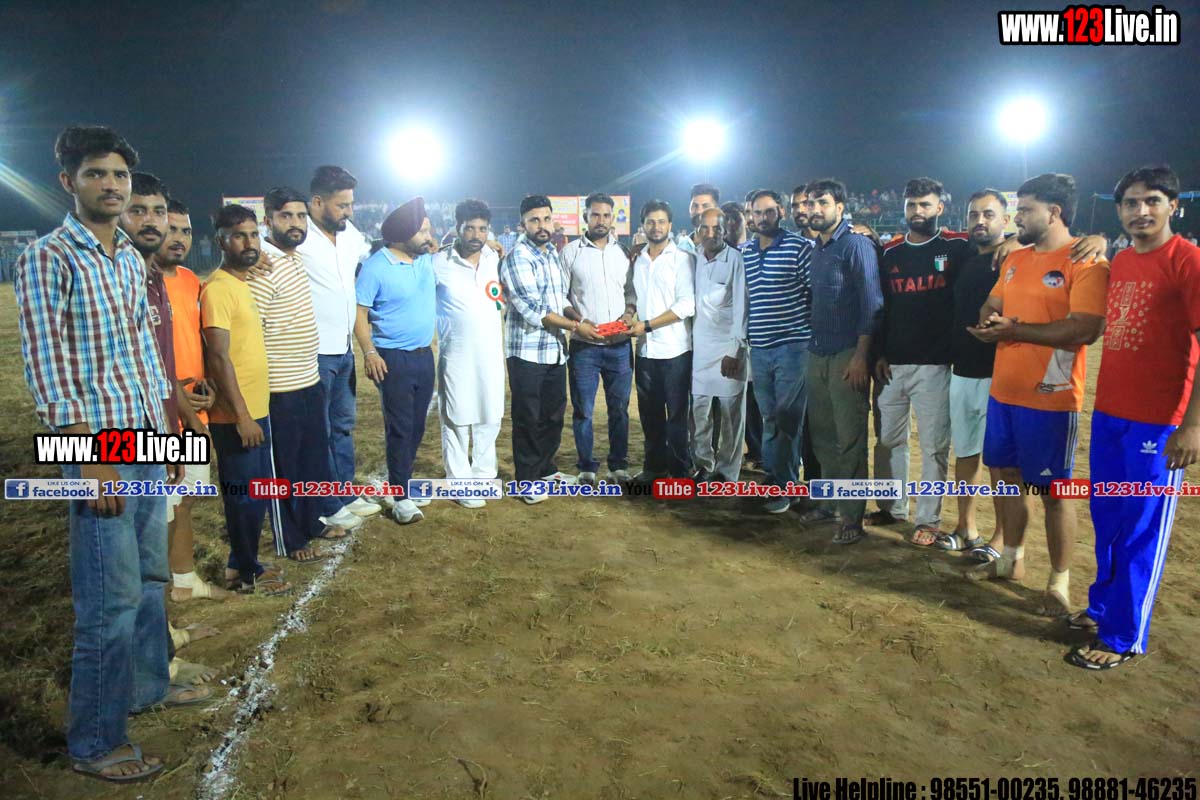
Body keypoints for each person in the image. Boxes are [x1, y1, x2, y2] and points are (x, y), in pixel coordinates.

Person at [15, 126, 203, 782]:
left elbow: (143, 356)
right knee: (109, 599)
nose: (112, 185)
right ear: (68, 182)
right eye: (97, 173)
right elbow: (46, 364)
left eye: (119, 175)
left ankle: (148, 687)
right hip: (98, 445)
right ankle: (95, 741)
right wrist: (87, 455)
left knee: (150, 577)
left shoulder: (127, 258)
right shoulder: (47, 257)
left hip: (145, 436)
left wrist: (167, 432)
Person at [1067, 166, 1200, 669]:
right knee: (1109, 517)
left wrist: (1192, 425)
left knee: (1143, 526)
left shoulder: (1188, 261)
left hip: (1159, 422)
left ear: (1173, 206)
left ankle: (1124, 636)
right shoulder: (1121, 260)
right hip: (1110, 414)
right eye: (1130, 203)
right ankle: (1103, 608)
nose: (1141, 211)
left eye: (1152, 201)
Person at [965, 173, 1108, 617]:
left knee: (1054, 493)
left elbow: (1085, 329)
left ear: (1054, 212)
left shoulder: (1087, 261)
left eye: (1025, 210)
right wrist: (989, 322)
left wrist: (1015, 330)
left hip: (1051, 399)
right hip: (1004, 392)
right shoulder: (1016, 258)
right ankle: (1011, 560)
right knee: (1005, 478)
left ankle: (1059, 582)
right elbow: (993, 303)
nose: (1018, 219)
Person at [254, 186, 357, 558]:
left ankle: (313, 521)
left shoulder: (295, 258)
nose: (296, 223)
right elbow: (252, 329)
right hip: (279, 386)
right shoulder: (261, 265)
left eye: (300, 216)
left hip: (308, 377)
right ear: (268, 220)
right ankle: (291, 539)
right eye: (286, 216)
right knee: (285, 467)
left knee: (310, 460)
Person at [871, 178, 969, 543]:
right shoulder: (891, 252)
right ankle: (892, 508)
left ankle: (928, 520)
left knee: (934, 447)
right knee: (889, 440)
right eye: (912, 205)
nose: (917, 211)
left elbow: (999, 245)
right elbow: (882, 307)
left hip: (935, 366)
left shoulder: (957, 246)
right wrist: (880, 353)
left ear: (939, 207)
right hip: (892, 365)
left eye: (925, 205)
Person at [202, 204, 292, 595]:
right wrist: (241, 416)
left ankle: (240, 564)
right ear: (221, 241)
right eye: (239, 236)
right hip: (236, 417)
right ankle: (248, 572)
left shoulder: (239, 282)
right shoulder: (218, 289)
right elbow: (218, 357)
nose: (249, 242)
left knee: (255, 493)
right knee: (244, 497)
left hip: (256, 410)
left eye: (254, 234)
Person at [801, 179, 883, 544]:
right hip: (817, 351)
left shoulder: (856, 245)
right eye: (810, 203)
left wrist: (862, 356)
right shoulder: (818, 249)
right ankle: (830, 502)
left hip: (848, 354)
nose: (815, 209)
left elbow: (872, 304)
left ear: (840, 206)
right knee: (822, 436)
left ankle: (852, 518)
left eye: (822, 202)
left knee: (850, 438)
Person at [295, 166, 379, 519]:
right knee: (318, 432)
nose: (349, 212)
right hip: (313, 353)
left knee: (342, 426)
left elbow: (373, 252)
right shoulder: (298, 236)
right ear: (317, 202)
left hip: (343, 349)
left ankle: (344, 493)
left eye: (350, 204)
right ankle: (325, 503)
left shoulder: (349, 234)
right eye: (342, 205)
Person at [155, 198, 227, 601]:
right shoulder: (138, 282)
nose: (179, 238)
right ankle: (157, 591)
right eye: (172, 229)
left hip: (194, 409)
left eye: (185, 230)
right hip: (161, 414)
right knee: (159, 508)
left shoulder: (188, 280)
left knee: (185, 499)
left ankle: (184, 579)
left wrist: (208, 386)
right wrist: (173, 394)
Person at [500, 195, 589, 502]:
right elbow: (534, 310)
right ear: (522, 224)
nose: (542, 225)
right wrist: (577, 327)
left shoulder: (551, 253)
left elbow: (559, 299)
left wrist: (579, 318)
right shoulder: (518, 257)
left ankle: (546, 469)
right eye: (534, 220)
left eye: (546, 219)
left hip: (554, 349)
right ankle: (527, 480)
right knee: (528, 417)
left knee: (553, 414)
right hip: (526, 352)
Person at [355, 197, 438, 524]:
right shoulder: (376, 267)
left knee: (416, 426)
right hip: (393, 360)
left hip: (424, 357)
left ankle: (401, 485)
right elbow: (359, 313)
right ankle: (401, 497)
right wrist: (369, 352)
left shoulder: (424, 259)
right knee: (401, 427)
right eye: (423, 231)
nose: (429, 237)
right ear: (404, 234)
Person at [940, 189, 1012, 557]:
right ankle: (965, 527)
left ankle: (1000, 538)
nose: (979, 221)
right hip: (963, 371)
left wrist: (1016, 241)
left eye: (988, 214)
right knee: (966, 453)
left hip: (1001, 375)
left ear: (1006, 220)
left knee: (1000, 462)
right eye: (973, 215)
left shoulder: (1017, 258)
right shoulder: (965, 256)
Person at [742, 189, 813, 512]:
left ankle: (784, 486)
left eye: (768, 211)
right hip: (759, 347)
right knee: (770, 417)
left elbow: (814, 294)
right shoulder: (746, 252)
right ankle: (776, 480)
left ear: (781, 212)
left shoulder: (799, 248)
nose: (762, 218)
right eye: (757, 212)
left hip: (793, 347)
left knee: (787, 418)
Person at [432, 199, 505, 506]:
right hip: (456, 356)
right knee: (456, 417)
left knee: (490, 415)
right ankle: (460, 482)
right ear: (457, 228)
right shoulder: (438, 263)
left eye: (482, 229)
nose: (477, 235)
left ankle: (485, 475)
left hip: (491, 354)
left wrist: (496, 246)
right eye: (470, 228)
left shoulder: (494, 258)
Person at [560, 192, 635, 485]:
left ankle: (618, 466)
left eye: (606, 215)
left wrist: (629, 313)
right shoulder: (570, 252)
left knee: (619, 410)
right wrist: (579, 322)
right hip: (584, 348)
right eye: (595, 215)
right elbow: (561, 296)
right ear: (585, 217)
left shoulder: (623, 253)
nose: (600, 220)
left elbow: (630, 292)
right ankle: (587, 467)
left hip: (619, 346)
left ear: (612, 218)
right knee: (584, 411)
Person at [625, 200, 695, 480]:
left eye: (661, 221)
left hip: (675, 351)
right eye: (651, 222)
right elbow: (632, 294)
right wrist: (629, 314)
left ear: (670, 225)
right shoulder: (637, 259)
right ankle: (654, 468)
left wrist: (646, 326)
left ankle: (679, 472)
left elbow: (686, 304)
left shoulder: (682, 259)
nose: (656, 227)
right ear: (643, 225)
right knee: (650, 415)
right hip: (645, 352)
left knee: (677, 417)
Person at [690, 208, 748, 482]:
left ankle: (727, 473)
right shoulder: (693, 258)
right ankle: (704, 465)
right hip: (700, 350)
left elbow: (742, 308)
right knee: (699, 413)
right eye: (705, 228)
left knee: (730, 415)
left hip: (728, 350)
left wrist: (735, 350)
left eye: (717, 228)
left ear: (725, 230)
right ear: (698, 230)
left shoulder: (735, 259)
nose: (710, 233)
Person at [676, 183, 720, 254]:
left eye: (705, 206)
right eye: (695, 205)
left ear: (716, 211)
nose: (699, 211)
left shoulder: (726, 249)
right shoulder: (680, 248)